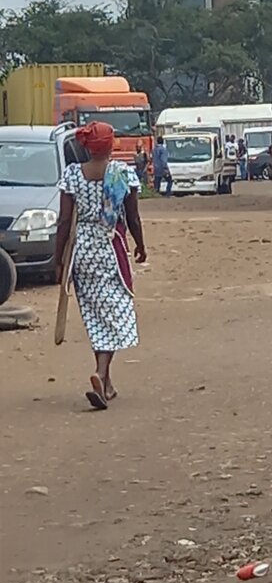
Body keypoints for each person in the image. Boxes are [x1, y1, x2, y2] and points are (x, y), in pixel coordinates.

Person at [54, 121, 147, 410]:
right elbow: (132, 218)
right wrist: (141, 245)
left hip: (82, 252)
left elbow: (64, 221)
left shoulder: (72, 175)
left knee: (95, 317)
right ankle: (101, 373)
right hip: (110, 248)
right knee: (118, 313)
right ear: (111, 145)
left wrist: (59, 260)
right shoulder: (123, 174)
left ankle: (105, 384)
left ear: (86, 146)